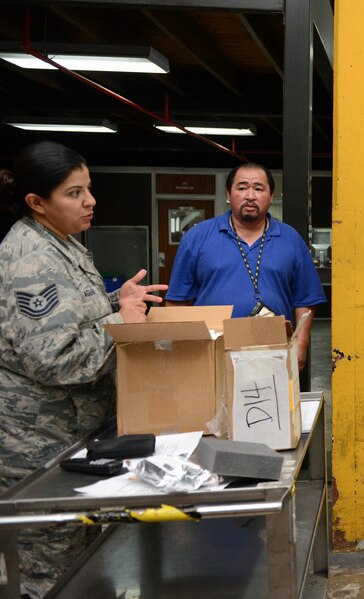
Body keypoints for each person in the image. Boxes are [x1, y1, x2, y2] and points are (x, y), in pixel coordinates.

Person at [0, 141, 167, 598]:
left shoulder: (61, 244)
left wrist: (118, 301)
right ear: (37, 202)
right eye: (74, 193)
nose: (90, 201)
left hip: (73, 437)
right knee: (52, 572)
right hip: (40, 445)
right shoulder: (32, 259)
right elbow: (53, 356)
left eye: (88, 189)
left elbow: (75, 315)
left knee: (88, 564)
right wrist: (122, 319)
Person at [165, 162, 325, 367]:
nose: (250, 195)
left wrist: (302, 343)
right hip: (212, 351)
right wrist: (183, 351)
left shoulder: (290, 239)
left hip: (274, 350)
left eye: (258, 188)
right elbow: (177, 300)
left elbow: (305, 298)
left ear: (271, 195)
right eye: (242, 188)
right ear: (228, 194)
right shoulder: (197, 237)